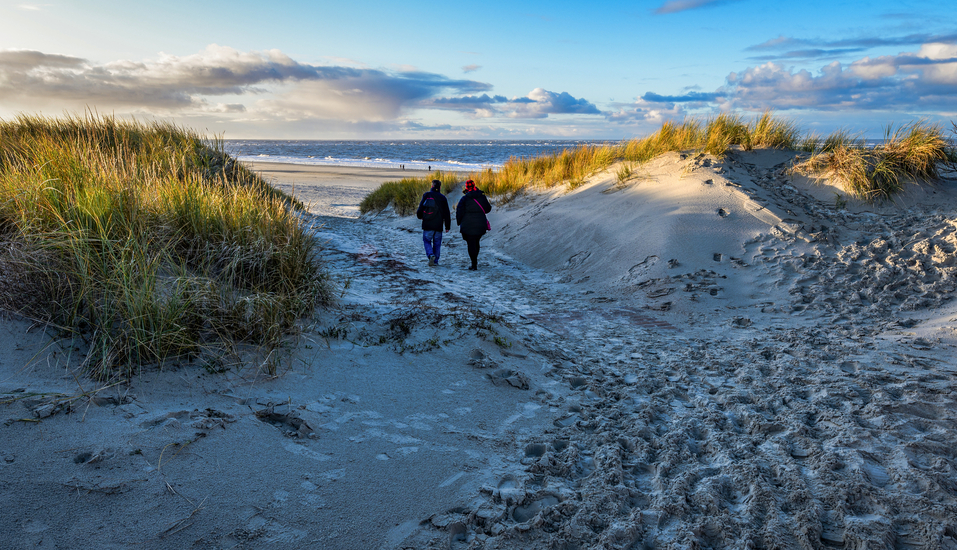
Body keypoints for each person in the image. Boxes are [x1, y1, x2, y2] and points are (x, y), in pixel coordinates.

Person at [455, 179, 492, 271]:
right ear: (475, 186)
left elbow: (459, 211)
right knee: (476, 242)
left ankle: (474, 264)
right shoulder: (482, 197)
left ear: (466, 188)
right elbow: (488, 209)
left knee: (471, 243)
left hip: (467, 225)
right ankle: (474, 262)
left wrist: (459, 222)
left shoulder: (464, 199)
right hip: (480, 224)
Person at [415, 179, 451, 266]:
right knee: (437, 243)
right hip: (438, 225)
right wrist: (447, 226)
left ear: (432, 186)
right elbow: (447, 213)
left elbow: (420, 209)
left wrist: (420, 217)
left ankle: (430, 255)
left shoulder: (426, 195)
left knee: (427, 241)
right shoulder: (443, 198)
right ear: (440, 187)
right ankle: (435, 261)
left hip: (428, 223)